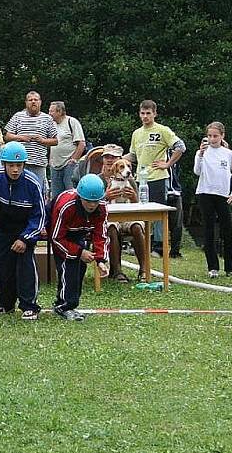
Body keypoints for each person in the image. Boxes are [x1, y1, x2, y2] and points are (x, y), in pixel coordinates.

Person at [0, 141, 44, 320]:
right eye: (11, 165)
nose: (15, 169)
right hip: (2, 229)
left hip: (25, 229)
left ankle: (30, 306)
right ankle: (5, 304)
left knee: (25, 268)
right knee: (0, 268)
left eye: (19, 165)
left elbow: (39, 215)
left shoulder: (33, 183)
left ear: (24, 165)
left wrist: (25, 238)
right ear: (4, 164)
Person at [126, 99, 185, 257]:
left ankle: (159, 246)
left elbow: (180, 147)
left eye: (148, 113)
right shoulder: (137, 133)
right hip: (141, 177)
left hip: (158, 176)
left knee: (157, 211)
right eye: (142, 113)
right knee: (140, 210)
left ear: (154, 114)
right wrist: (118, 158)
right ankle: (143, 242)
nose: (145, 117)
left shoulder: (162, 130)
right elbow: (133, 155)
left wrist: (168, 164)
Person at [48, 174, 109, 321]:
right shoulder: (66, 207)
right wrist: (79, 252)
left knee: (80, 270)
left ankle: (71, 304)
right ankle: (63, 306)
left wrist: (100, 259)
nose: (91, 205)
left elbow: (101, 235)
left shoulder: (102, 208)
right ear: (80, 196)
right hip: (59, 232)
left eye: (95, 201)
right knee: (68, 268)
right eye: (88, 201)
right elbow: (56, 237)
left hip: (79, 232)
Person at [194, 122, 232, 278]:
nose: (212, 139)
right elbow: (197, 171)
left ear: (222, 136)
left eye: (215, 136)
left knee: (228, 230)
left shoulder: (228, 154)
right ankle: (212, 267)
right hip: (205, 192)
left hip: (222, 195)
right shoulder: (201, 153)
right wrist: (200, 155)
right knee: (208, 230)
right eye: (209, 136)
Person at [98, 143, 147, 282]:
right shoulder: (97, 179)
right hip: (107, 218)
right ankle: (117, 271)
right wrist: (105, 197)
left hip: (128, 216)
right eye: (106, 157)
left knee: (137, 226)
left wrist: (133, 197)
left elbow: (139, 203)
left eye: (113, 157)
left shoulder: (130, 180)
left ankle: (144, 269)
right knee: (112, 228)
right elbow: (89, 204)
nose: (109, 160)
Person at [4, 91, 58, 191]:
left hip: (38, 163)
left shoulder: (47, 119)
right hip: (19, 162)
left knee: (37, 190)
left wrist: (42, 140)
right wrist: (21, 137)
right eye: (30, 100)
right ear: (26, 102)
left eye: (36, 100)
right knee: (17, 190)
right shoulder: (18, 116)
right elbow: (7, 136)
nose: (33, 102)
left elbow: (55, 141)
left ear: (40, 102)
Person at [49, 101, 86, 198]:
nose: (49, 114)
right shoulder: (51, 125)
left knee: (71, 195)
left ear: (60, 111)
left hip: (69, 166)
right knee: (56, 198)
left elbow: (81, 143)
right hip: (54, 166)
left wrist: (73, 160)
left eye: (52, 111)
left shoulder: (72, 122)